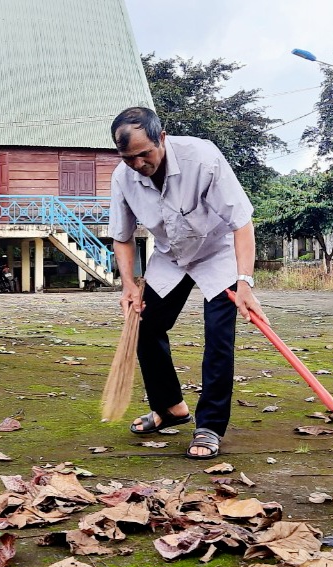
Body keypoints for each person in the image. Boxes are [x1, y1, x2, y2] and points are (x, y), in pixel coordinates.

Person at [108, 107, 268, 459]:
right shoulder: (123, 177)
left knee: (218, 338)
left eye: (144, 154)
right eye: (128, 157)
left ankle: (209, 425)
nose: (138, 164)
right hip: (171, 255)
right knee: (145, 324)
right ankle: (170, 408)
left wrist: (245, 283)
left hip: (217, 252)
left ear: (161, 138)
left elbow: (241, 223)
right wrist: (129, 285)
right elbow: (122, 236)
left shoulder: (203, 157)